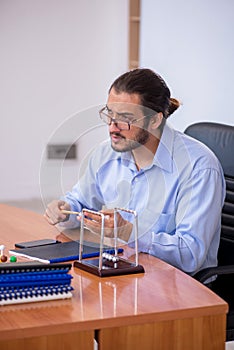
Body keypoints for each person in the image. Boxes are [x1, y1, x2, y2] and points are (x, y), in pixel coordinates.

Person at [45, 68, 225, 276]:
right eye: (109, 114)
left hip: (177, 287)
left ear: (155, 120)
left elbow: (190, 254)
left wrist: (128, 232)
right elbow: (81, 201)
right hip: (120, 272)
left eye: (125, 118)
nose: (113, 127)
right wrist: (65, 208)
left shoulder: (199, 167)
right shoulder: (107, 153)